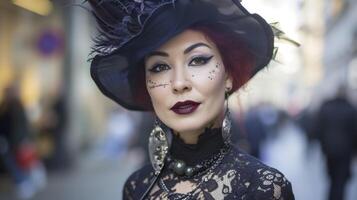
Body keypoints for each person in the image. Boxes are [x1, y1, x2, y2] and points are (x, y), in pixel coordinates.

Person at [87, 0, 295, 199]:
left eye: (198, 60)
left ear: (228, 76)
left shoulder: (264, 188)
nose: (179, 83)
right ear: (146, 85)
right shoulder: (137, 187)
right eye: (159, 67)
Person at [314, 86, 357, 200]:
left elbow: (318, 129)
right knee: (340, 180)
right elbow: (354, 132)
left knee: (332, 178)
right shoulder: (351, 109)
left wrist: (323, 146)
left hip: (329, 150)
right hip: (345, 152)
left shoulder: (326, 108)